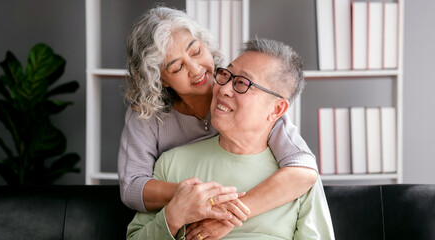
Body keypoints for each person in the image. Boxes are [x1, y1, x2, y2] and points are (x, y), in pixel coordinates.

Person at [118, 6, 319, 235]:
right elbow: (133, 188)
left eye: (196, 52)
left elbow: (303, 168)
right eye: (177, 67)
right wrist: (196, 199)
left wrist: (227, 214)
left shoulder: (244, 95)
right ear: (159, 79)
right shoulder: (147, 117)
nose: (196, 70)